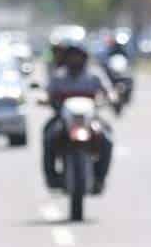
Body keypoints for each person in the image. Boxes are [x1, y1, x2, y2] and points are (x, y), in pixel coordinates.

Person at [42, 39, 116, 194]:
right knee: (49, 136)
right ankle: (52, 177)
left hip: (90, 119)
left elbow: (109, 91)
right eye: (72, 56)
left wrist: (111, 97)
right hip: (64, 119)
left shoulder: (94, 75)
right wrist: (45, 99)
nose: (75, 59)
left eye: (78, 56)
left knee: (107, 138)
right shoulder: (59, 76)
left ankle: (99, 178)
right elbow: (47, 93)